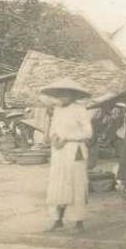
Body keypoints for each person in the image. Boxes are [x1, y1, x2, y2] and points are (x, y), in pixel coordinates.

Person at [40, 77, 94, 233]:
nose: (63, 97)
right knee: (58, 185)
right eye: (60, 94)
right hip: (59, 151)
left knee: (76, 184)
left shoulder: (80, 110)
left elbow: (88, 133)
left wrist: (68, 138)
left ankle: (78, 222)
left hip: (75, 150)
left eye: (66, 94)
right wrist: (54, 138)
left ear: (73, 95)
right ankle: (57, 220)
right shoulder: (57, 110)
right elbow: (53, 130)